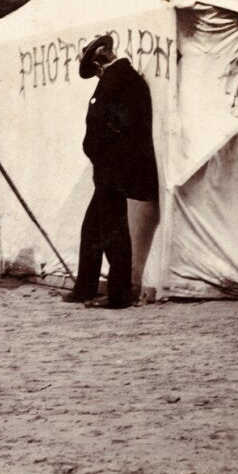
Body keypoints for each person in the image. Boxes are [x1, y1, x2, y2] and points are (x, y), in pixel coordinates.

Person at [64, 34, 158, 309]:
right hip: (115, 168)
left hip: (112, 170)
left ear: (101, 60)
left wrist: (98, 154)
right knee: (92, 228)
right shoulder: (129, 78)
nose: (96, 74)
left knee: (114, 232)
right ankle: (85, 287)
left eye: (95, 68)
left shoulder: (114, 81)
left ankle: (118, 294)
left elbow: (105, 126)